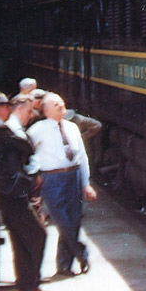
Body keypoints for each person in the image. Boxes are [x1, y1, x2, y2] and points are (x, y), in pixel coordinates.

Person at [0, 92, 51, 291]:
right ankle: (30, 283)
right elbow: (26, 146)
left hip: (10, 191)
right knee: (38, 234)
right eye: (6, 107)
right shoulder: (0, 129)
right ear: (1, 109)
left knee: (22, 240)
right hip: (11, 191)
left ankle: (28, 285)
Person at [28, 92, 96, 276]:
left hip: (73, 176)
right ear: (45, 110)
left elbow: (82, 157)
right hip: (52, 180)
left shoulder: (72, 128)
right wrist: (35, 174)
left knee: (74, 221)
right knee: (62, 221)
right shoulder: (36, 130)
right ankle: (81, 253)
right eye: (55, 104)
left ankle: (64, 266)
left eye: (61, 102)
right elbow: (27, 155)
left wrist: (85, 183)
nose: (60, 105)